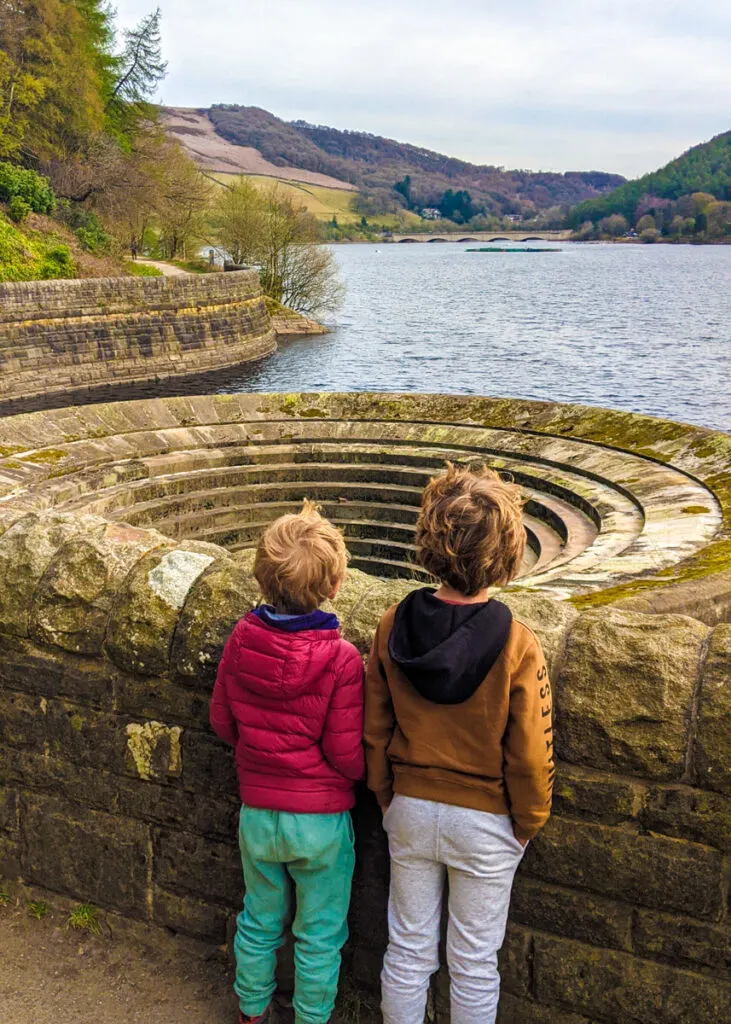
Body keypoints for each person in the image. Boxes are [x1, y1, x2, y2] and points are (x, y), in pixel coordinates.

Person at [364, 463, 554, 1024]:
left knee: (407, 950)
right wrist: (530, 820)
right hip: (489, 819)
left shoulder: (392, 622)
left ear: (429, 540)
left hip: (410, 807)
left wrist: (383, 791)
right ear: (509, 552)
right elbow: (531, 750)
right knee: (473, 963)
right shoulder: (519, 643)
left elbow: (375, 724)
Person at [210, 501, 365, 1024]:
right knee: (319, 932)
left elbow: (223, 721)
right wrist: (363, 776)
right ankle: (311, 1017)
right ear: (335, 586)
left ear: (261, 578)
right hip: (319, 823)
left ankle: (251, 1012)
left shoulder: (241, 638)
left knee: (259, 918)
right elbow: (346, 753)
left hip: (258, 814)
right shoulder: (342, 659)